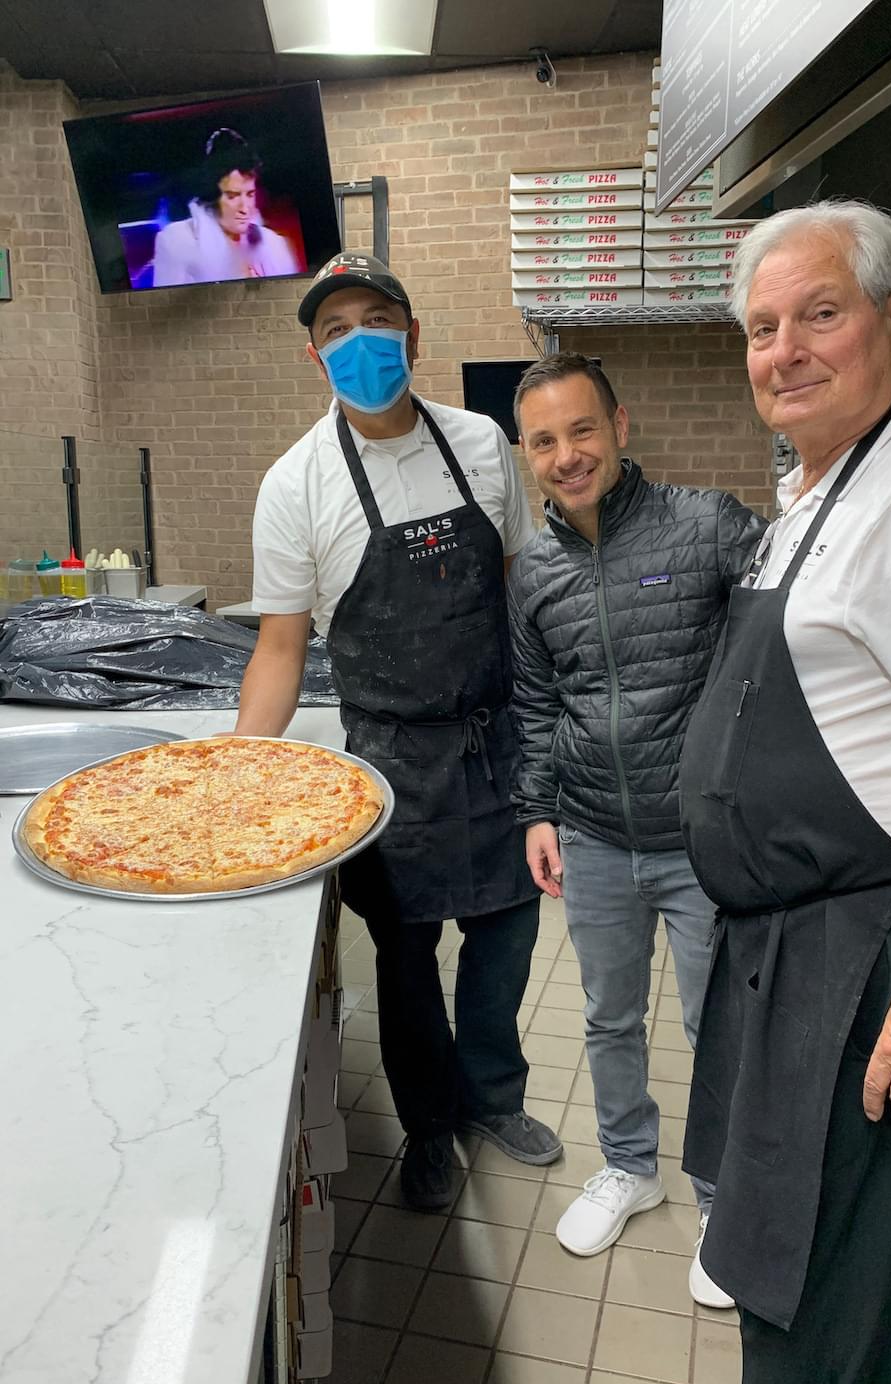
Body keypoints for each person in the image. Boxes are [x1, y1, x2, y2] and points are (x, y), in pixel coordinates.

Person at [613, 200, 891, 1384]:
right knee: (877, 1248)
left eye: (818, 315)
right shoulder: (824, 487)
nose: (782, 350)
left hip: (877, 956)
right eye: (761, 327)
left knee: (797, 1283)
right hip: (802, 942)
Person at [236, 251, 561, 1211]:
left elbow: (521, 590)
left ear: (413, 334)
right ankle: (428, 1125)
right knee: (407, 963)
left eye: (376, 320)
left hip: (498, 745)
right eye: (335, 330)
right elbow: (281, 650)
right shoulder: (295, 484)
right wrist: (236, 772)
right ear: (314, 356)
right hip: (390, 768)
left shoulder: (480, 442)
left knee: (505, 943)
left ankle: (493, 1097)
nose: (360, 342)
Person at [509, 353, 766, 1300]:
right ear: (527, 454)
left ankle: (723, 1198)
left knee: (715, 1024)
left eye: (582, 429)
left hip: (700, 842)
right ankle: (628, 1165)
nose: (568, 455)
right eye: (545, 440)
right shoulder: (534, 572)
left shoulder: (707, 526)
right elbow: (535, 702)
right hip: (593, 834)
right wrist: (538, 811)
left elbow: (791, 642)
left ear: (619, 426)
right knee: (608, 1015)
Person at [151, 127, 299, 286]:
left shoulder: (274, 244)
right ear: (212, 196)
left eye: (250, 194)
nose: (245, 208)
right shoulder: (176, 241)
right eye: (233, 196)